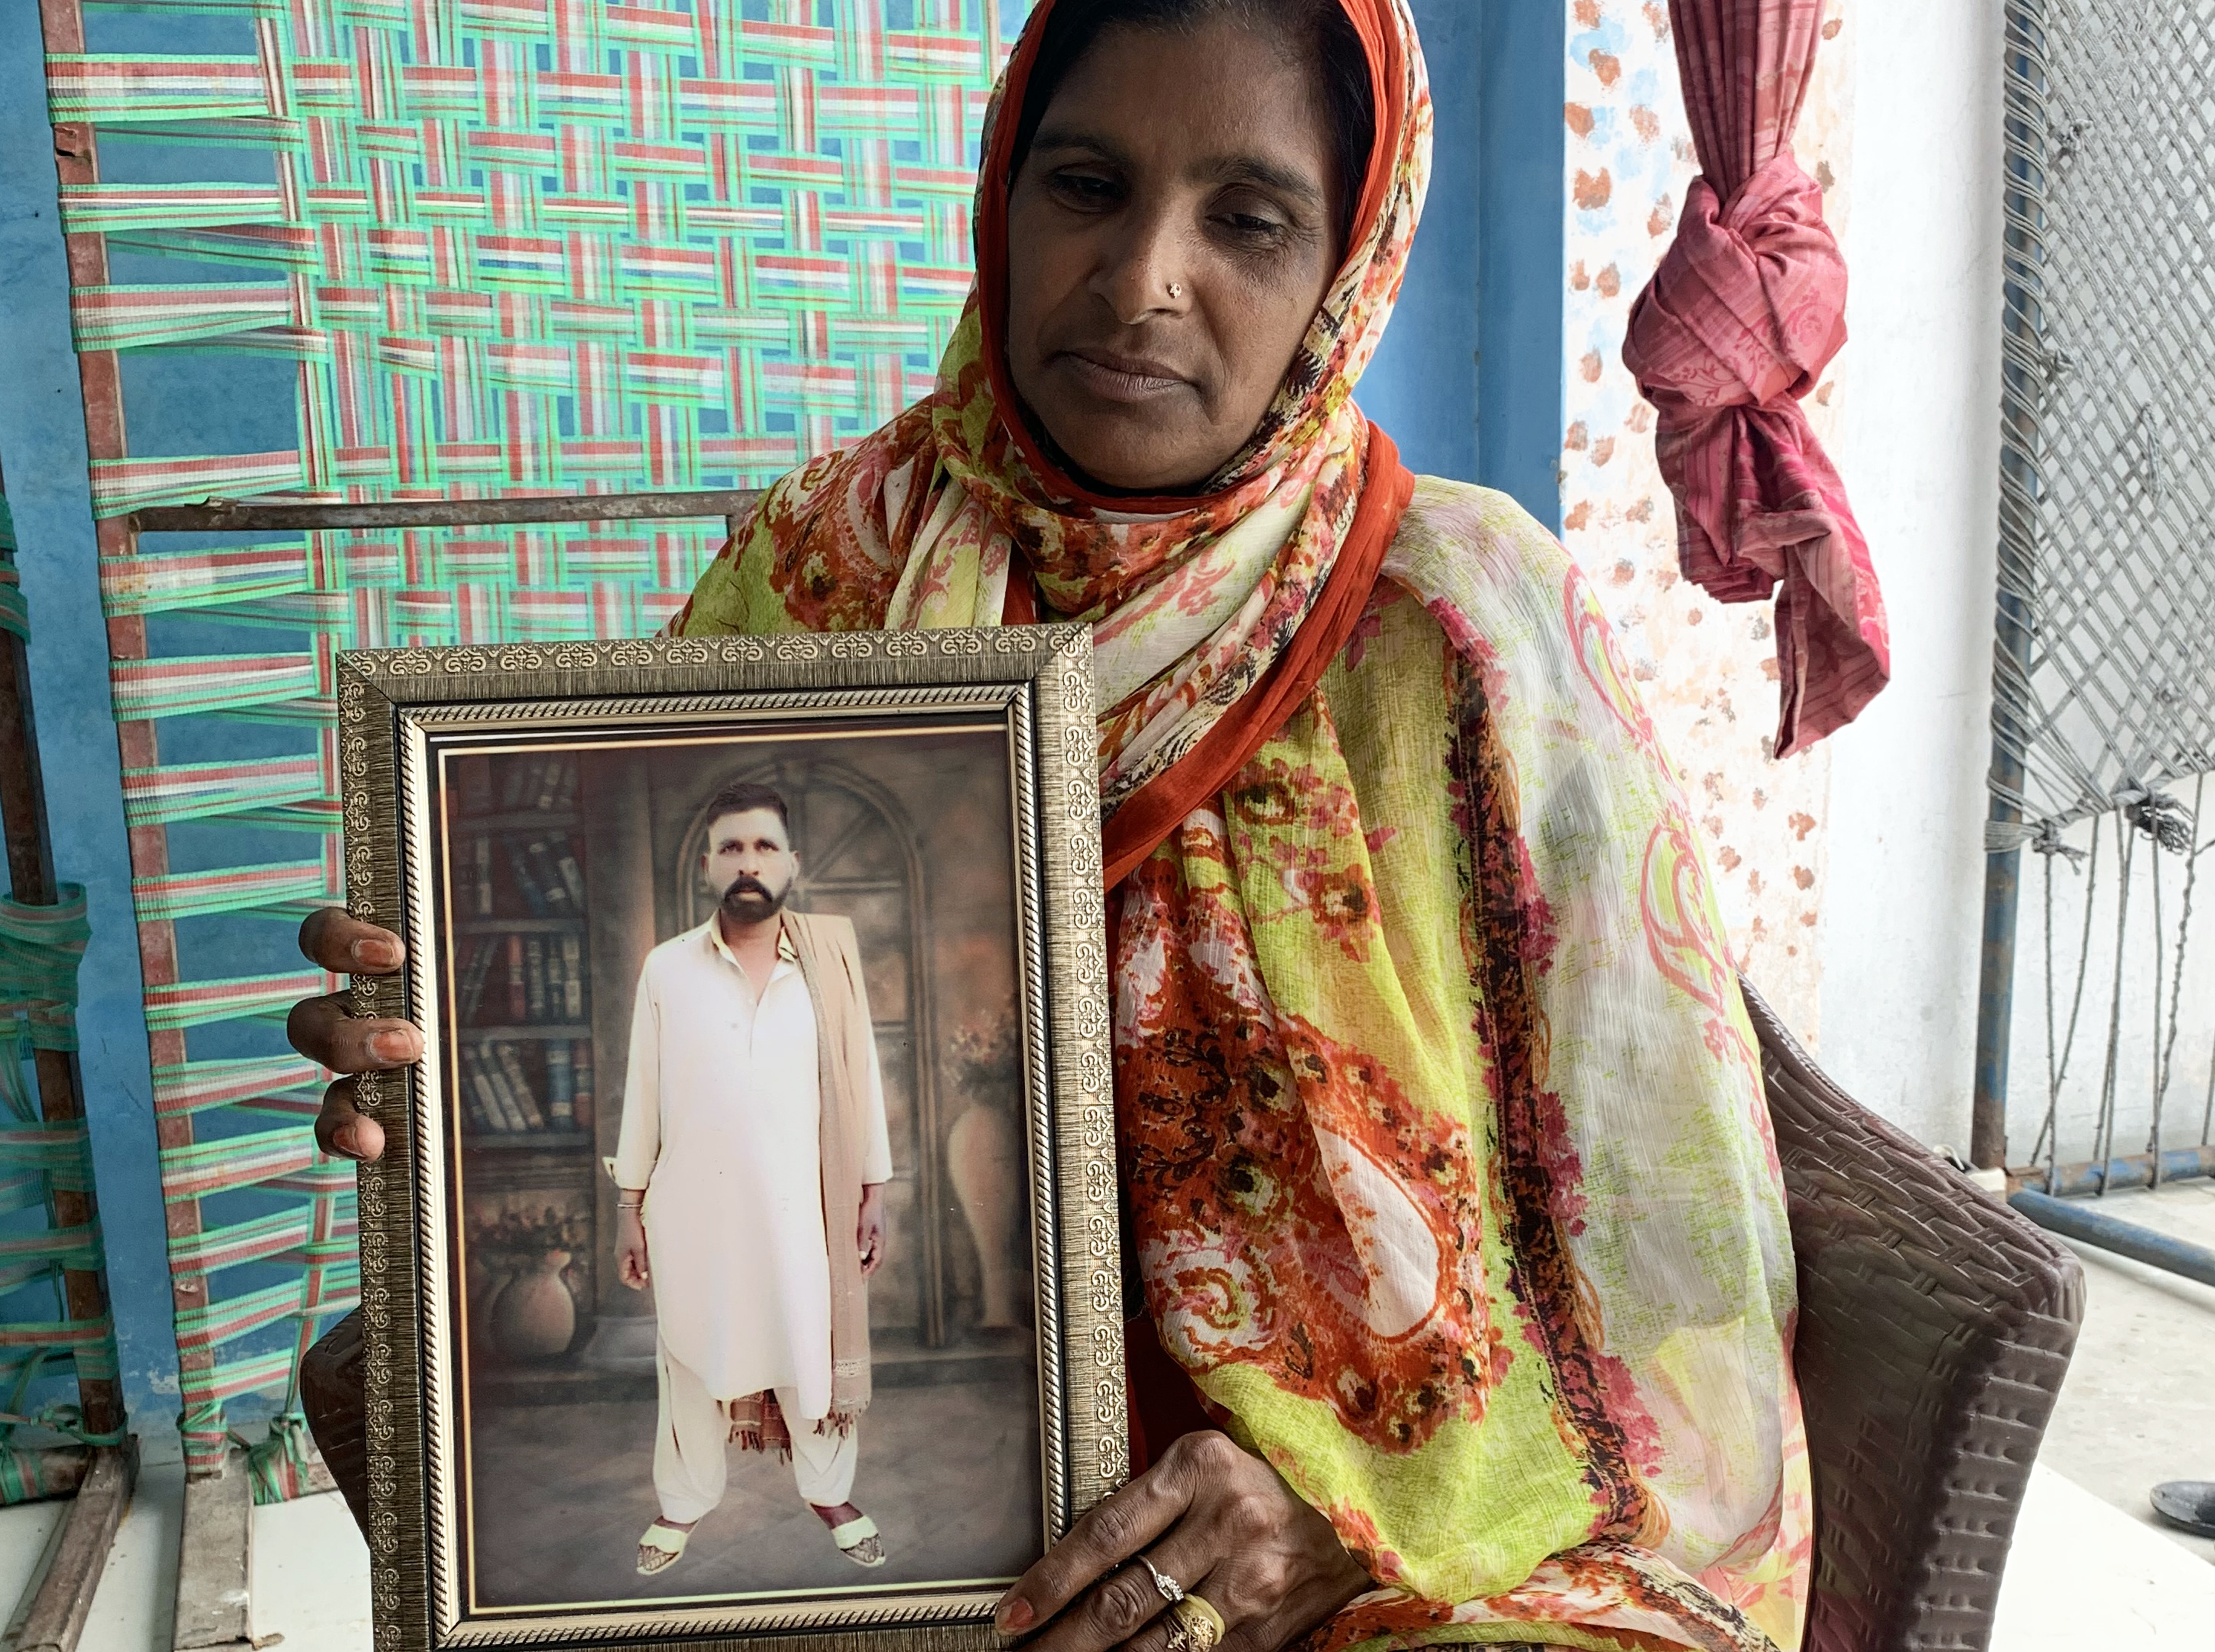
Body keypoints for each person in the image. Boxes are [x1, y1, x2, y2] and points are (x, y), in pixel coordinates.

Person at [293, 2, 1810, 1650]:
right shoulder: (830, 563)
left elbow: (1656, 1265)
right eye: (1086, 185)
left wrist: (1347, 1520)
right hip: (876, 1548)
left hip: (1344, 1556)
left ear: (1347, 267)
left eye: (1248, 220)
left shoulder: (1462, 620)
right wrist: (429, 1054)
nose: (1143, 277)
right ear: (1004, 193)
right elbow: (642, 1018)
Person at [614, 780, 893, 1576]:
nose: (749, 862)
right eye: (731, 848)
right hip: (692, 1211)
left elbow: (862, 1079)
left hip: (801, 1211)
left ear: (791, 863)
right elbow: (642, 1093)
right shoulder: (668, 969)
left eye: (764, 847)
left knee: (807, 1347)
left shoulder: (826, 967)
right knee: (691, 1357)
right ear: (708, 865)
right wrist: (629, 1205)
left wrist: (873, 1192)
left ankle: (829, 1492)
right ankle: (682, 1502)